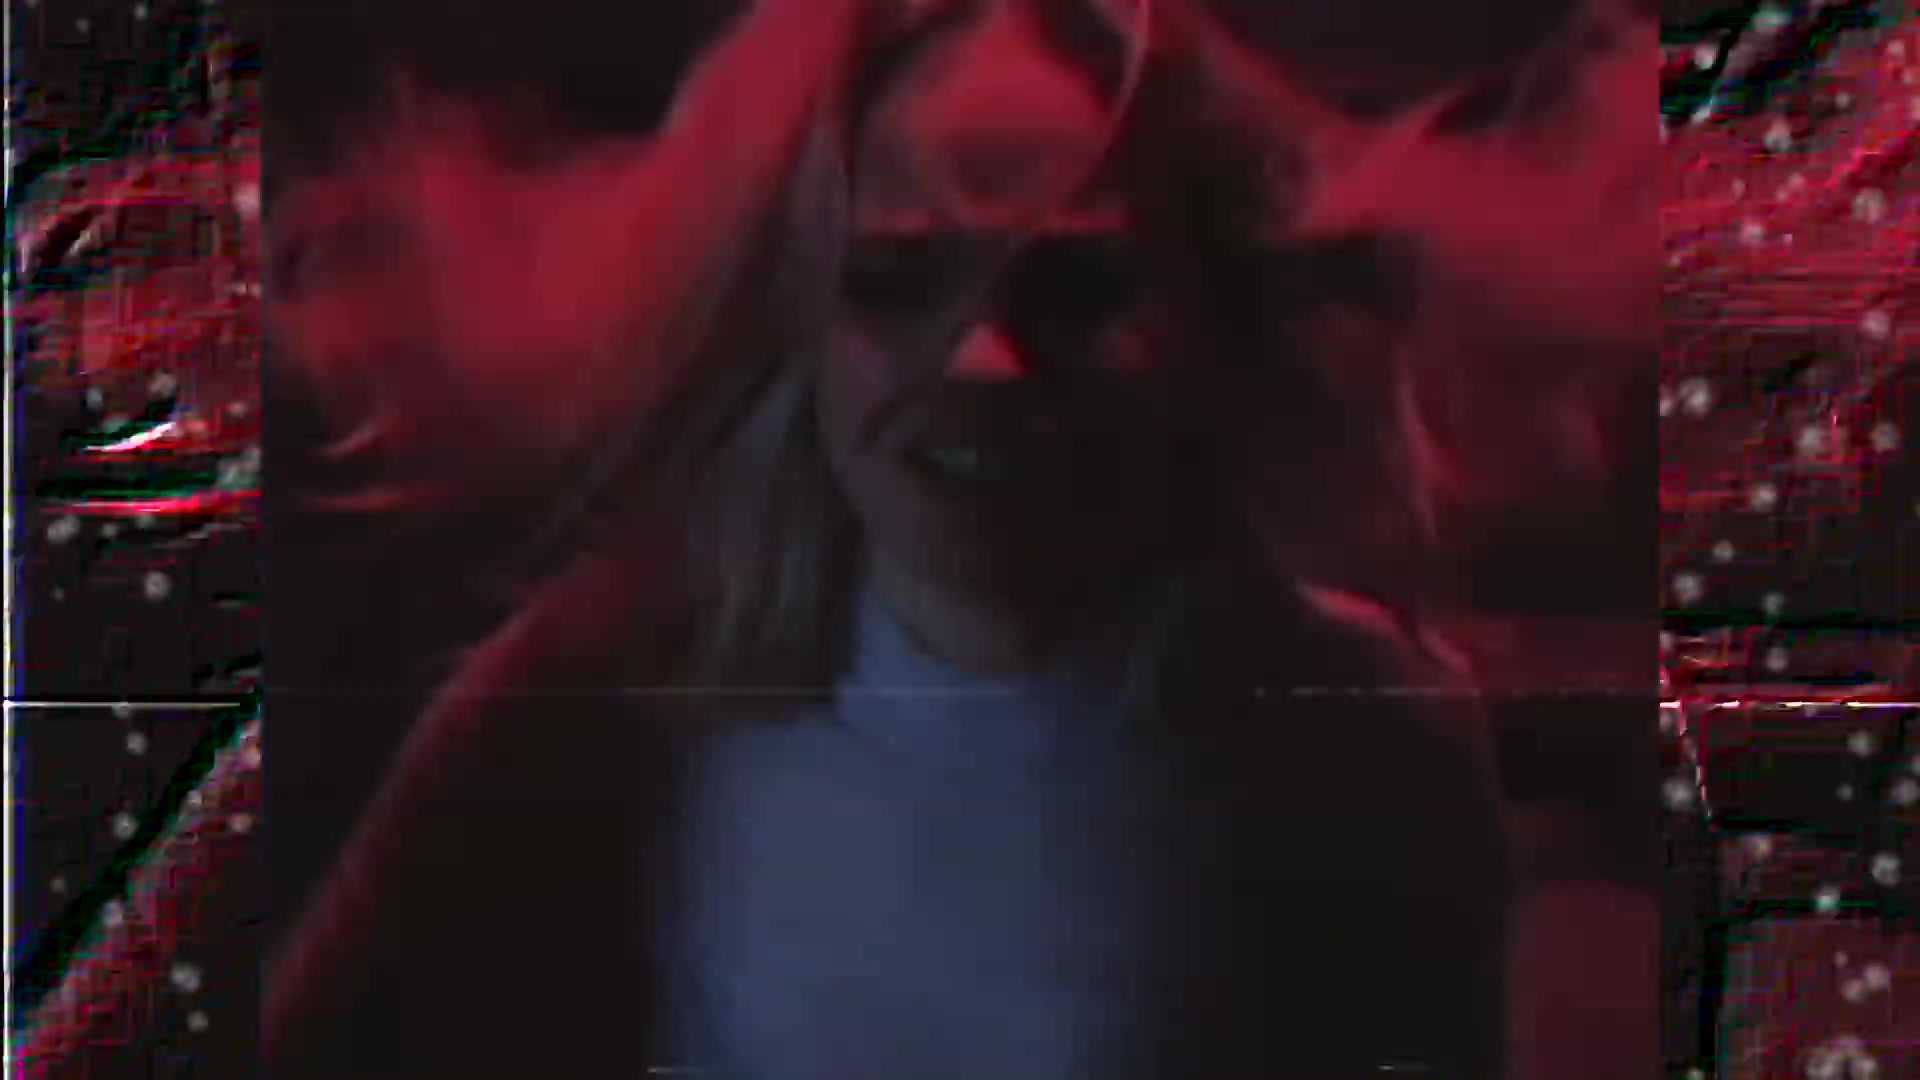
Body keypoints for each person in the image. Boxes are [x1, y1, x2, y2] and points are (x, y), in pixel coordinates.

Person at [263, 2, 1512, 1077]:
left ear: (1203, 313)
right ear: (794, 313)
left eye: (1077, 289)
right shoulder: (604, 683)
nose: (985, 361)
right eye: (896, 282)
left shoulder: (1362, 740)